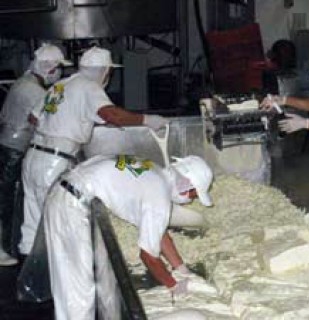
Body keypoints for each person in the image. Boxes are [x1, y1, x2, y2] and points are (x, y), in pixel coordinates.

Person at [19, 46, 169, 256]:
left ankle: (28, 275)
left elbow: (34, 118)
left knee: (34, 220)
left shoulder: (61, 85)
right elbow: (111, 115)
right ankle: (55, 279)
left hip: (33, 156)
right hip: (54, 160)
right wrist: (147, 120)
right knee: (57, 221)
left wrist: (72, 122)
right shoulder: (90, 86)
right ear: (105, 71)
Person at [43, 154, 213, 319]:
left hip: (67, 191)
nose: (191, 201)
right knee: (77, 290)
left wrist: (182, 269)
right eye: (194, 194)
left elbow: (158, 234)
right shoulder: (158, 195)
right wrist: (174, 286)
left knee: (74, 283)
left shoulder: (154, 171)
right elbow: (148, 256)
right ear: (186, 184)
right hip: (72, 204)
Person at [0, 44, 71, 266]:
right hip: (14, 148)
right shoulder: (33, 90)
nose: (59, 73)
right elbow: (48, 119)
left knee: (9, 198)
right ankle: (2, 249)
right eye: (58, 68)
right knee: (6, 200)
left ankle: (12, 245)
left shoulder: (25, 82)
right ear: (48, 68)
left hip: (9, 144)